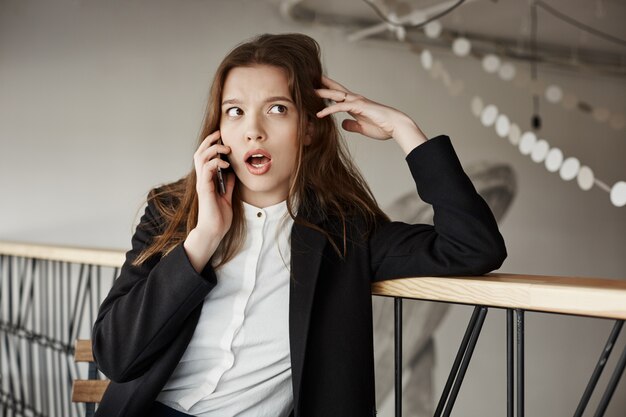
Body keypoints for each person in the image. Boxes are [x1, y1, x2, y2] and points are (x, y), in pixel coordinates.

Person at [91, 33, 506, 417]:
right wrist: (201, 240)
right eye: (235, 112)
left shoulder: (345, 234)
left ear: (308, 127)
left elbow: (473, 246)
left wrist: (404, 129)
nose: (253, 130)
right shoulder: (171, 210)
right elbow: (116, 355)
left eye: (277, 109)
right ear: (219, 132)